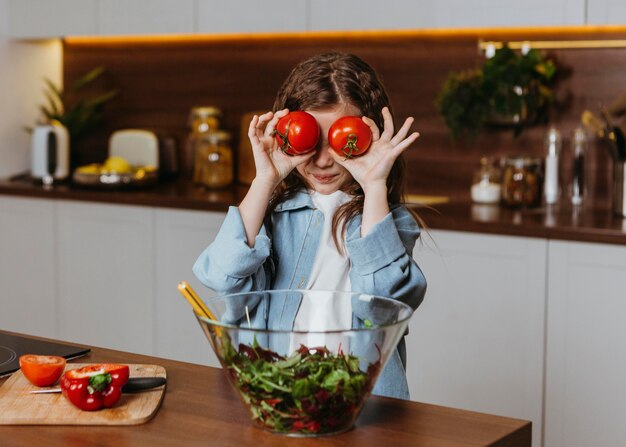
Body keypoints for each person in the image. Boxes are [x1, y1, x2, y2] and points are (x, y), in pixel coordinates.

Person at [193, 52, 427, 400]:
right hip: (277, 397)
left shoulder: (390, 223)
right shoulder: (272, 216)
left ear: (368, 136)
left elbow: (384, 305)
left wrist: (375, 185)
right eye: (308, 140)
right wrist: (264, 180)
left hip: (363, 404)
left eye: (339, 141)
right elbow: (220, 276)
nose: (321, 160)